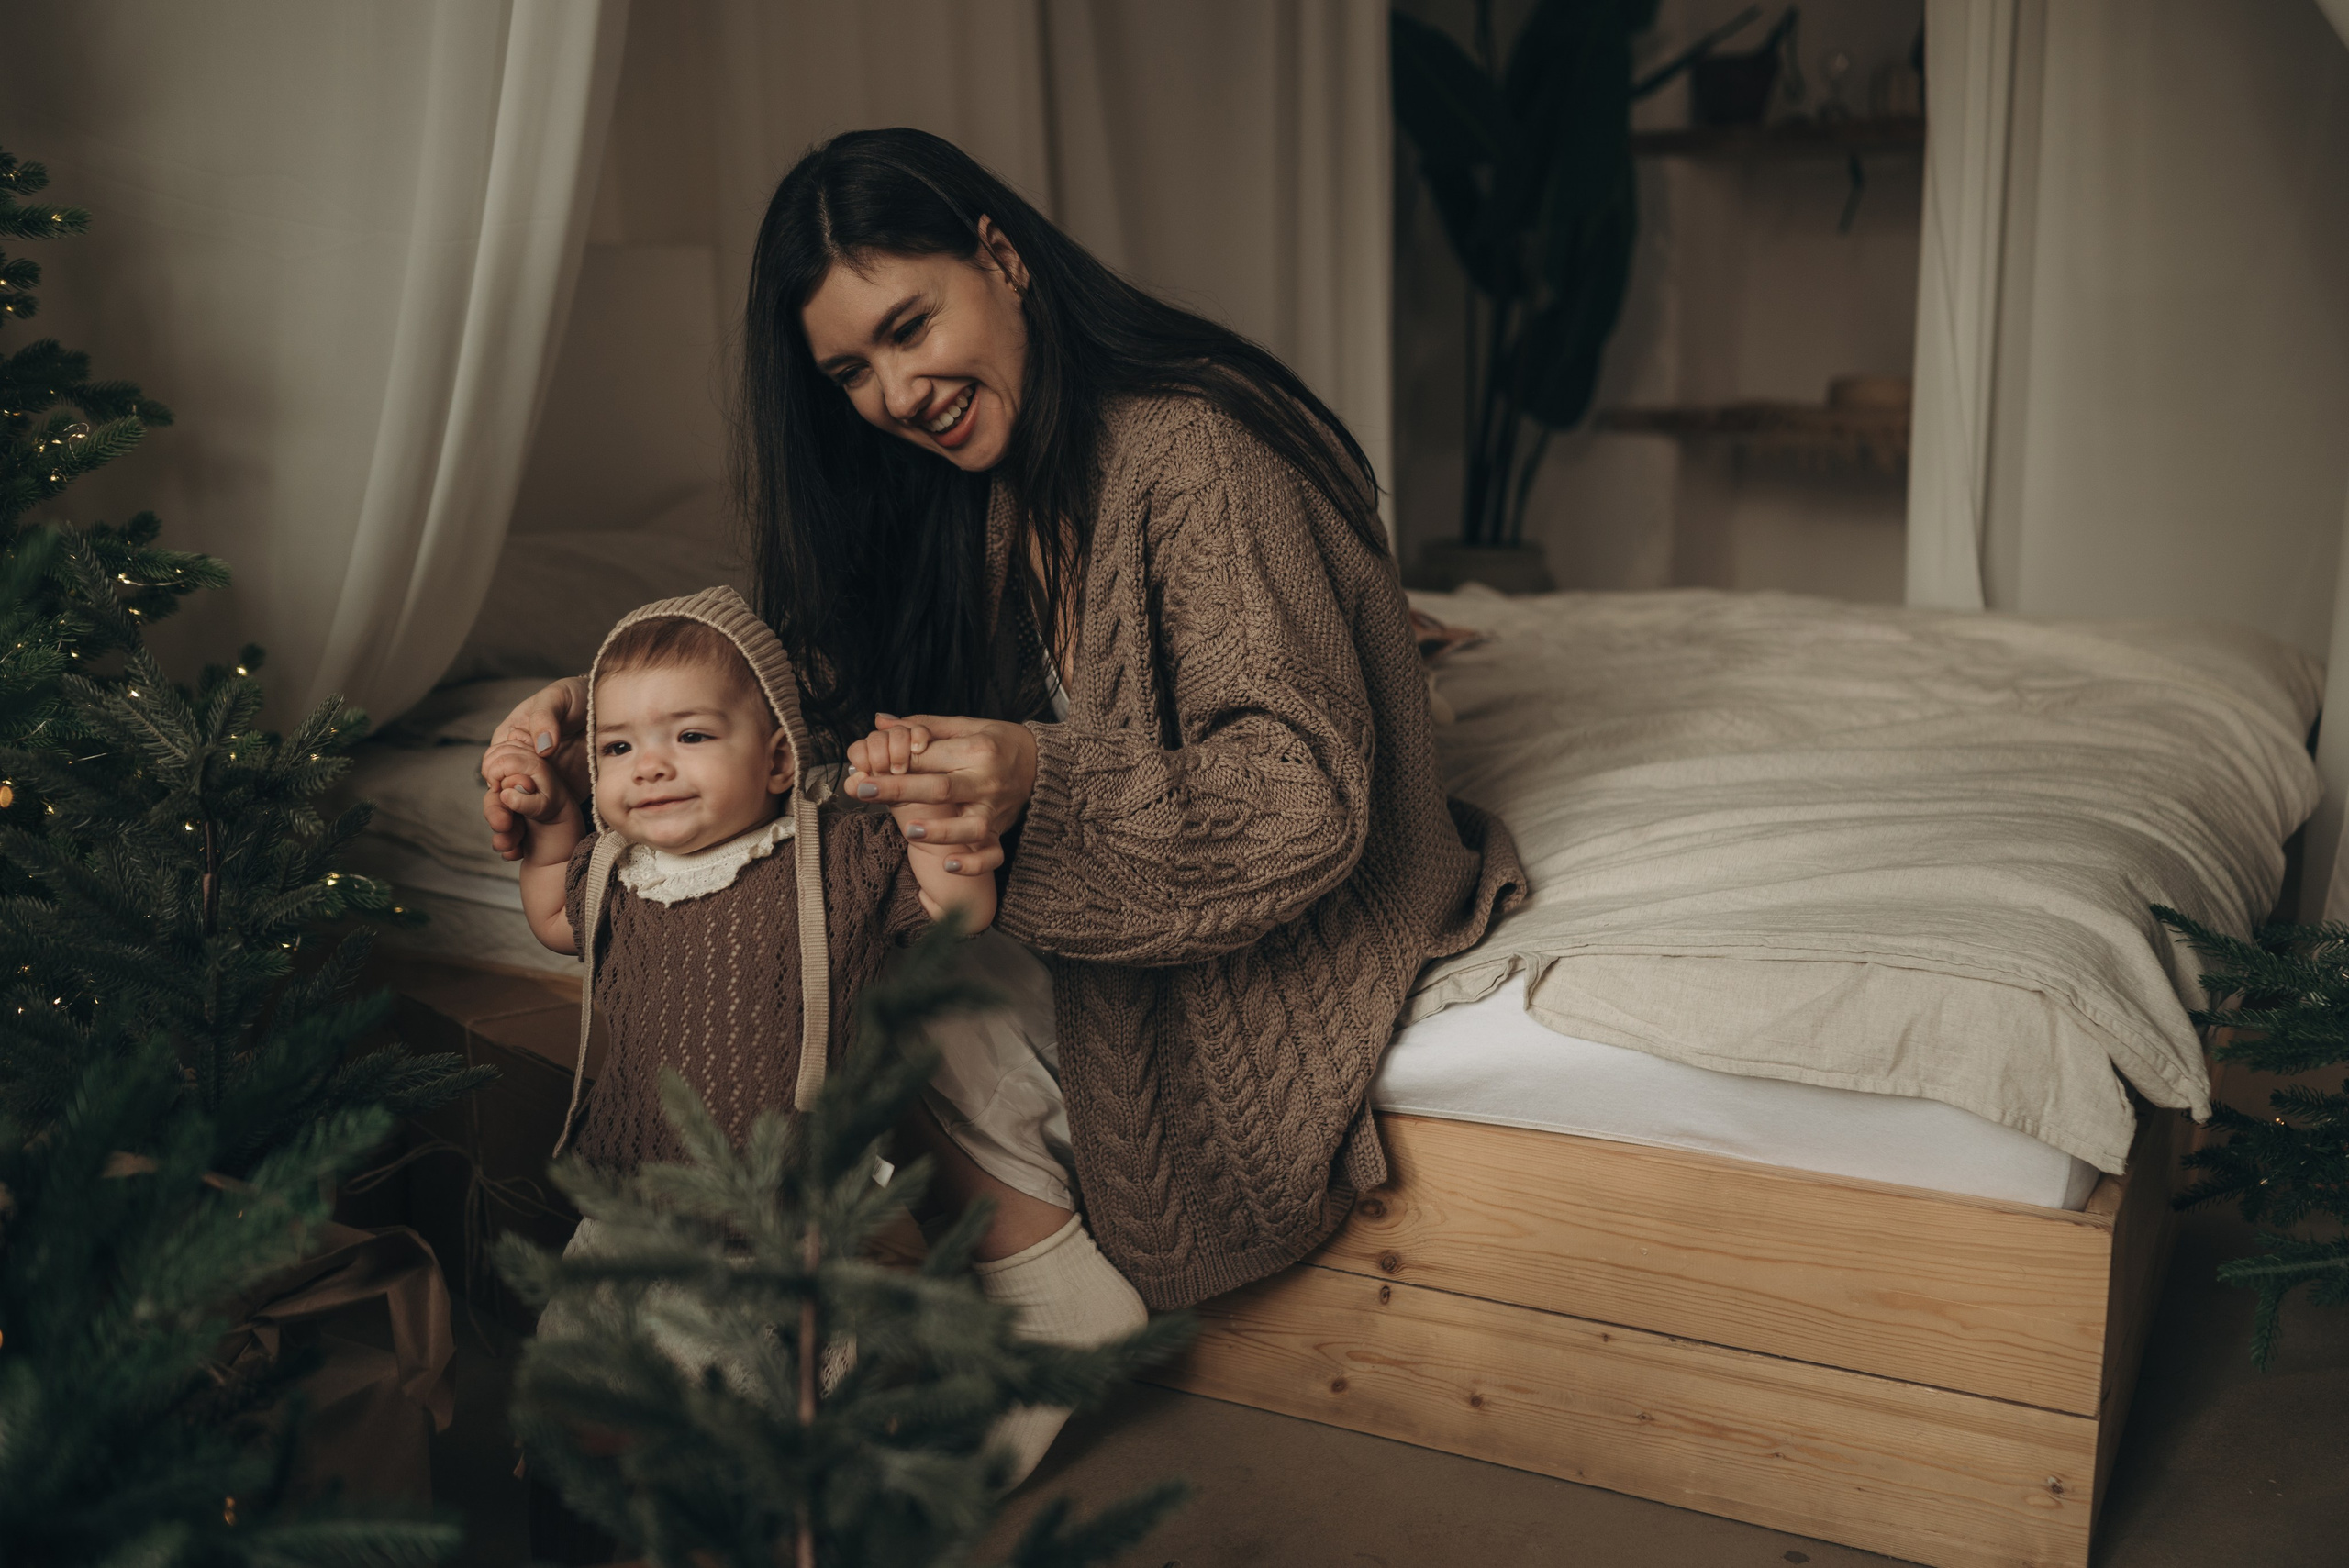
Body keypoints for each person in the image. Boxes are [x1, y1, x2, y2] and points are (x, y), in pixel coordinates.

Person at [480, 128, 1524, 1475]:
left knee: (861, 931)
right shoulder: (968, 486)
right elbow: (798, 706)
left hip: (1299, 875)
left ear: (1003, 256)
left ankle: (1040, 1287)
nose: (898, 392)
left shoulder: (1189, 447)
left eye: (911, 328)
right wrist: (605, 712)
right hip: (1146, 830)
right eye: (852, 371)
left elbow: (1302, 800)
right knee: (817, 879)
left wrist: (1039, 771)